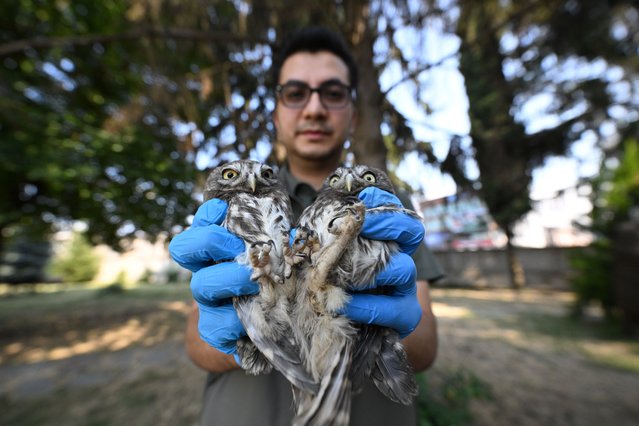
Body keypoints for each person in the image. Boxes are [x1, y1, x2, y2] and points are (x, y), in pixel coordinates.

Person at [169, 26, 444, 426]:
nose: (314, 109)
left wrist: (396, 323)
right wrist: (240, 338)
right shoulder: (230, 203)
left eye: (333, 94)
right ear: (277, 112)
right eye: (296, 93)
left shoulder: (385, 203)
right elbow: (196, 344)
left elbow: (426, 349)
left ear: (352, 111)